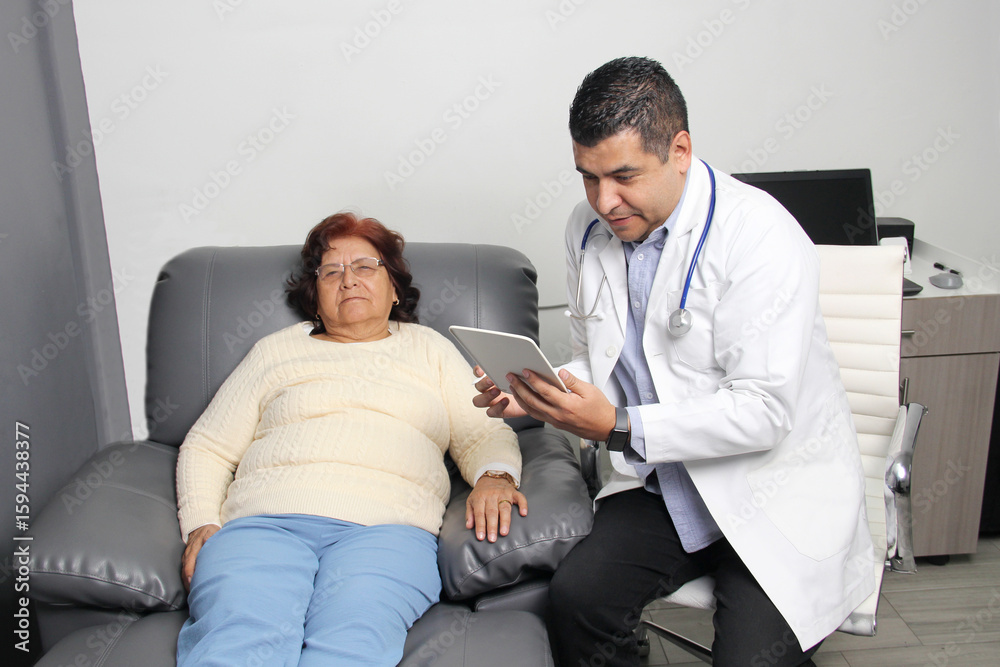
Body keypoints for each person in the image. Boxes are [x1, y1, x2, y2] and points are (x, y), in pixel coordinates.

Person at [474, 57, 875, 666]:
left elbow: (763, 411)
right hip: (667, 481)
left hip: (771, 490)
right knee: (579, 601)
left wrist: (619, 426)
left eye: (624, 176)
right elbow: (601, 358)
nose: (604, 201)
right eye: (588, 178)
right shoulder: (586, 229)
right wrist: (538, 392)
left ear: (680, 151)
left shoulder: (759, 235)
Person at [175, 212, 527, 666]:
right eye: (331, 272)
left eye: (365, 266)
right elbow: (208, 445)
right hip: (263, 525)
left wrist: (496, 476)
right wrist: (201, 521)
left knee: (352, 645)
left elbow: (482, 432)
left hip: (387, 531)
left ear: (394, 287)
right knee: (239, 639)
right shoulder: (276, 350)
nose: (348, 280)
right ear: (314, 296)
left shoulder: (430, 348)